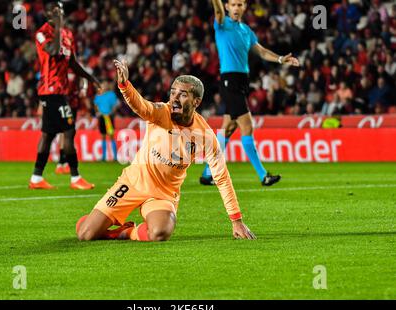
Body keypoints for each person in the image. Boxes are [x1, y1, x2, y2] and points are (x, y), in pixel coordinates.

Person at [75, 60, 256, 242]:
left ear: (196, 101)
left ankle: (127, 232)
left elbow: (222, 178)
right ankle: (107, 226)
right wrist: (124, 86)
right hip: (132, 183)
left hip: (163, 194)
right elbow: (141, 105)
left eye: (182, 94)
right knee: (85, 234)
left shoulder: (205, 136)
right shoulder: (162, 112)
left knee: (159, 233)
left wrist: (236, 220)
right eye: (173, 92)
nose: (174, 98)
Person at [200, 0, 300, 186]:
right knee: (247, 125)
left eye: (240, 4)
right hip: (229, 80)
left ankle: (207, 173)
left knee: (228, 128)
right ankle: (263, 175)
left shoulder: (246, 30)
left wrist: (280, 59)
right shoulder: (222, 24)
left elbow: (261, 51)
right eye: (233, 5)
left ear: (244, 7)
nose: (236, 8)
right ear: (227, 7)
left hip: (241, 81)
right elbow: (218, 11)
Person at [29, 1, 100, 190]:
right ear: (46, 13)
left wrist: (91, 78)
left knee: (49, 134)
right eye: (54, 10)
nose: (58, 13)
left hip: (61, 91)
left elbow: (73, 63)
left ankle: (36, 178)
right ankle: (75, 178)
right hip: (50, 91)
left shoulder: (68, 35)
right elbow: (52, 51)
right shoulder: (42, 33)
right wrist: (59, 27)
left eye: (60, 10)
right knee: (69, 131)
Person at [93, 80, 120, 162]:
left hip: (108, 117)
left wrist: (112, 112)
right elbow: (95, 105)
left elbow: (116, 105)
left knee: (111, 135)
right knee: (103, 136)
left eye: (105, 84)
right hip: (101, 117)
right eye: (102, 84)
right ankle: (103, 157)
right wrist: (98, 112)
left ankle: (115, 157)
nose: (104, 86)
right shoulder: (98, 96)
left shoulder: (111, 94)